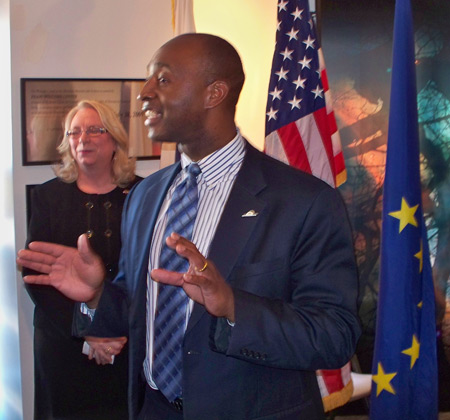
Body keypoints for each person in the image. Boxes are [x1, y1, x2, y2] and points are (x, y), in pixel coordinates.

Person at [18, 34, 361, 420]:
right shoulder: (145, 196)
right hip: (153, 410)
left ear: (213, 93)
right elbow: (136, 308)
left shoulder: (304, 201)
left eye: (162, 80)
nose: (144, 93)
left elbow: (335, 335)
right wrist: (97, 295)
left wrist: (233, 306)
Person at [23, 100, 141, 419]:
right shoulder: (47, 197)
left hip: (125, 341)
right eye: (74, 132)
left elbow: (148, 273)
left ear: (115, 139)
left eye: (93, 130)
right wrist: (88, 330)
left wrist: (114, 331)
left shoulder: (144, 194)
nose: (83, 139)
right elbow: (39, 278)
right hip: (64, 344)